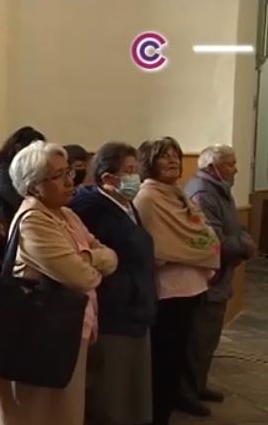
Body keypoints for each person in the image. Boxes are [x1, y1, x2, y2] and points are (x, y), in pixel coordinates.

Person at [0, 141, 117, 425]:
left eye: (68, 172)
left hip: (67, 326)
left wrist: (85, 257)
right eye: (58, 176)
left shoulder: (67, 214)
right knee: (38, 411)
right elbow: (81, 277)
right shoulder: (33, 221)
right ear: (33, 186)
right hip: (38, 331)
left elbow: (112, 258)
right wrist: (92, 261)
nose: (70, 181)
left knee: (65, 408)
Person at [133, 137, 220, 425]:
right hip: (168, 290)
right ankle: (157, 416)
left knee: (181, 355)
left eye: (175, 156)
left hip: (191, 286)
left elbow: (204, 234)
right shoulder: (147, 198)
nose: (172, 161)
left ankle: (168, 409)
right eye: (163, 156)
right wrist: (194, 250)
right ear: (148, 162)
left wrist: (197, 249)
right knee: (165, 359)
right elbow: (159, 248)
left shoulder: (177, 194)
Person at [69, 142, 156, 425]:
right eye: (128, 171)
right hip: (114, 308)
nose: (135, 177)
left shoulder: (126, 204)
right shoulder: (91, 207)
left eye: (135, 170)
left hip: (135, 303)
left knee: (131, 386)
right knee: (110, 390)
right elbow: (102, 255)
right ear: (108, 178)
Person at [180, 144, 256, 409]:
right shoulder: (202, 193)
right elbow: (213, 242)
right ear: (213, 167)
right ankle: (186, 393)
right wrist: (244, 245)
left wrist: (242, 239)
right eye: (230, 164)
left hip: (220, 279)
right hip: (208, 281)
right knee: (197, 341)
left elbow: (238, 227)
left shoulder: (220, 190)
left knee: (208, 339)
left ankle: (198, 385)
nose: (236, 169)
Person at [0, 126, 46, 227]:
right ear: (18, 149)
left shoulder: (25, 171)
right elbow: (24, 202)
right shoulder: (1, 173)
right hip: (4, 230)